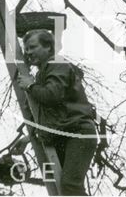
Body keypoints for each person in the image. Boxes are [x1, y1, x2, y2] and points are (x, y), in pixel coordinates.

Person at [16, 29, 98, 196]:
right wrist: (28, 138)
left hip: (78, 132)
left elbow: (52, 95)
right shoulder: (42, 74)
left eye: (32, 47)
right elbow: (49, 115)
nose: (28, 52)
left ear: (48, 47)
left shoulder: (57, 64)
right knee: (62, 188)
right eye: (26, 49)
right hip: (63, 134)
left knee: (70, 185)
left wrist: (31, 86)